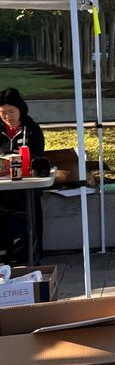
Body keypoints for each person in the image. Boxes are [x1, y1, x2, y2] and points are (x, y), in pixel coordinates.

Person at [0, 87, 46, 262]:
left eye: (11, 111)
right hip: (3, 184)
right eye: (2, 113)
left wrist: (22, 158)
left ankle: (28, 254)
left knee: (27, 204)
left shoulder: (32, 129)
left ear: (21, 109)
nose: (7, 116)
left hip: (25, 184)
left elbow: (40, 156)